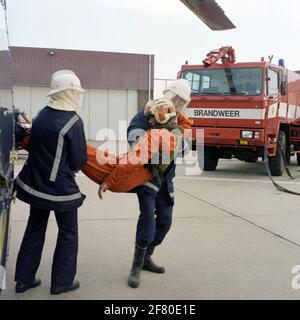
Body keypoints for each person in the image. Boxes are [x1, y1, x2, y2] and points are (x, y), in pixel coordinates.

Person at [14, 70, 87, 295]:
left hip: (36, 186)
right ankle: (62, 282)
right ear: (70, 93)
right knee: (68, 232)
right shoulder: (74, 121)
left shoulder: (41, 115)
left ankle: (24, 280)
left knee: (34, 228)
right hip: (59, 190)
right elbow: (78, 161)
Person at [125, 79, 192, 288]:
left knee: (165, 220)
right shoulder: (147, 114)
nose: (178, 103)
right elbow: (133, 135)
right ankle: (136, 266)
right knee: (148, 217)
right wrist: (153, 143)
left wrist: (176, 141)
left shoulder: (180, 121)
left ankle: (146, 257)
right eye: (176, 98)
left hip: (165, 179)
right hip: (145, 177)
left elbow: (185, 149)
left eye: (182, 101)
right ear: (168, 94)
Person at [81, 98, 182, 194]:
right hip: (134, 174)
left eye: (152, 117)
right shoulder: (174, 135)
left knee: (82, 152)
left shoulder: (156, 135)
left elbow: (133, 162)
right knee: (89, 151)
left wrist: (108, 182)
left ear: (162, 118)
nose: (149, 121)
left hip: (123, 178)